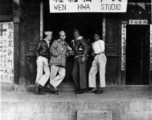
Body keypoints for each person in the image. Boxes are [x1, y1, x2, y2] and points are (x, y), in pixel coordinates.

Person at [48, 31, 72, 95]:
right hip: (55, 61)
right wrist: (57, 53)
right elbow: (51, 49)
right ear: (59, 36)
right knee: (53, 76)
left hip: (62, 62)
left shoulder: (65, 44)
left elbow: (67, 53)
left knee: (62, 74)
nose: (63, 36)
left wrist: (68, 53)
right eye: (62, 35)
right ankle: (54, 90)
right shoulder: (56, 42)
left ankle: (51, 84)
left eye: (64, 35)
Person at [71, 29, 89, 94]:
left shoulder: (81, 40)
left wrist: (84, 56)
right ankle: (78, 87)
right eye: (74, 33)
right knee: (74, 73)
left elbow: (86, 47)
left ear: (79, 34)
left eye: (77, 33)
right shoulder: (75, 41)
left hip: (81, 56)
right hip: (76, 57)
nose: (75, 34)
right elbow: (75, 49)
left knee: (82, 73)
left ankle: (83, 88)